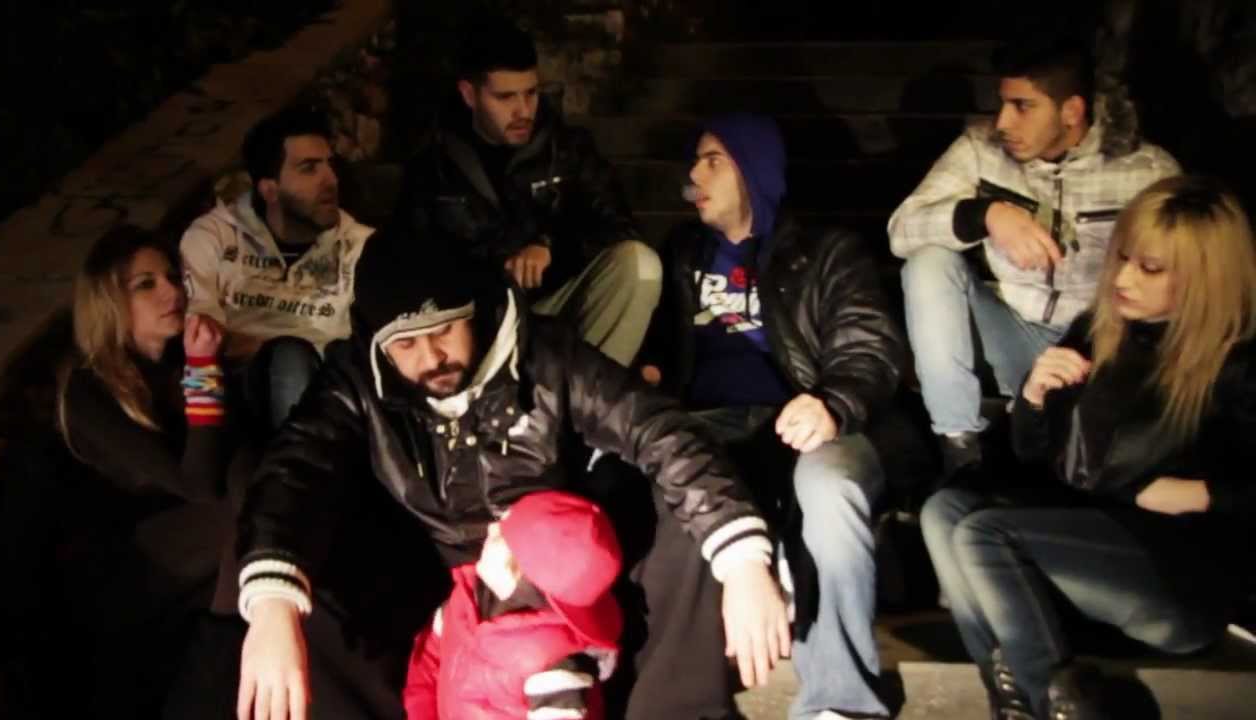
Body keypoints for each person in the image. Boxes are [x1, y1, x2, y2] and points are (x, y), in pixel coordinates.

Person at [231, 233, 789, 720]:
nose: (432, 356)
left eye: (445, 330)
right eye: (406, 344)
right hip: (429, 573)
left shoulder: (544, 355)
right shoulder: (354, 380)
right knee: (303, 580)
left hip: (550, 567)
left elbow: (657, 429)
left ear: (473, 315)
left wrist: (743, 563)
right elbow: (296, 470)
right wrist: (273, 604)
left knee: (679, 521)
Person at [921, 176, 1256, 720]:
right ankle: (1028, 703)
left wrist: (1202, 494)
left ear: (1204, 277)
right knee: (945, 511)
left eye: (1150, 268)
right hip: (1084, 551)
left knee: (987, 534)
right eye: (1122, 257)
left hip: (1179, 575)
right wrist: (1033, 398)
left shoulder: (1237, 361)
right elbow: (1037, 462)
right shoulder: (1098, 331)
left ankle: (1044, 704)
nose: (1122, 278)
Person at [640, 113, 903, 720]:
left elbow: (870, 346)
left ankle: (839, 703)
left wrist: (833, 402)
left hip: (807, 419)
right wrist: (648, 374)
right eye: (695, 159)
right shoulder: (683, 251)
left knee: (829, 488)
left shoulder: (826, 251)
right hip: (706, 423)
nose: (693, 174)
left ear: (752, 172)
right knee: (666, 483)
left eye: (712, 160)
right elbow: (662, 346)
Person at [887, 36, 1179, 484]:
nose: (1004, 121)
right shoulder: (981, 149)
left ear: (1071, 111)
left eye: (1023, 106)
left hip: (1095, 346)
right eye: (1002, 103)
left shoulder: (1145, 170)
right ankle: (961, 446)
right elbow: (901, 231)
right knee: (927, 262)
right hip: (1012, 330)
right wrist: (987, 214)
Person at [397, 17, 658, 367]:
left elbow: (620, 226)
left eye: (531, 93)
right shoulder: (435, 165)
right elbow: (411, 257)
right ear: (469, 95)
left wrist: (551, 246)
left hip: (561, 306)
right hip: (478, 319)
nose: (523, 110)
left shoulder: (568, 150)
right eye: (505, 97)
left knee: (640, 263)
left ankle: (594, 390)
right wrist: (496, 265)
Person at [56, 225, 234, 716]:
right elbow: (197, 486)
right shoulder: (89, 388)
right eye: (146, 284)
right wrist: (204, 371)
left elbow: (226, 463)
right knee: (248, 526)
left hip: (195, 552)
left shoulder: (178, 367)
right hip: (127, 562)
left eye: (172, 278)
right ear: (109, 302)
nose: (171, 292)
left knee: (258, 518)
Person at [180, 105, 373, 431]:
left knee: (296, 360)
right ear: (269, 189)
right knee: (289, 357)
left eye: (330, 164)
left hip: (328, 399)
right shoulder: (214, 237)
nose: (330, 180)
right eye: (309, 168)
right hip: (234, 396)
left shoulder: (360, 245)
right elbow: (204, 336)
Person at [404, 490, 622, 720]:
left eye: (502, 533)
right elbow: (431, 652)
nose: (491, 528)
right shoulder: (470, 594)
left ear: (515, 571)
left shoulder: (557, 672)